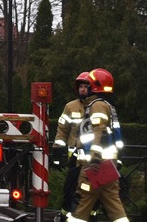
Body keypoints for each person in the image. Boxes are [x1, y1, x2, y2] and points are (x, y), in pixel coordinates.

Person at [70, 68, 129, 222]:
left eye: (88, 85)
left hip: (95, 166)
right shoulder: (108, 106)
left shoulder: (97, 106)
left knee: (81, 202)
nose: (85, 88)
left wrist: (94, 159)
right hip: (108, 166)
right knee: (114, 204)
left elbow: (100, 131)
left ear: (94, 87)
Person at [52, 72, 92, 220]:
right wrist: (57, 149)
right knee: (69, 189)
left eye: (85, 86)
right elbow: (62, 129)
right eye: (80, 87)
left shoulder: (98, 107)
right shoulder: (70, 107)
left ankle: (90, 216)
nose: (82, 89)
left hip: (94, 159)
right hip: (75, 159)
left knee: (91, 191)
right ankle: (64, 216)